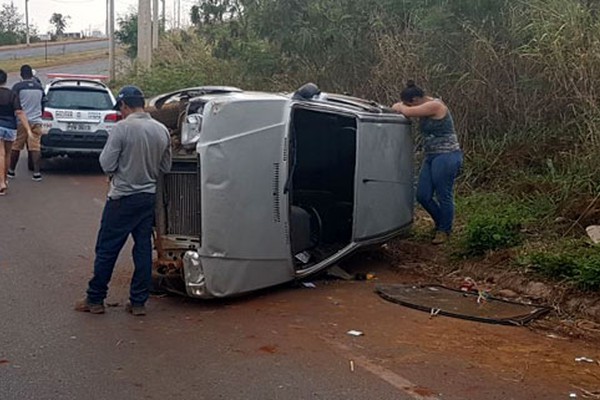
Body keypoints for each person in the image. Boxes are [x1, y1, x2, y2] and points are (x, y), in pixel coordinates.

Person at [75, 85, 172, 316]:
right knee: (142, 250)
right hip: (147, 199)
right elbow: (166, 167)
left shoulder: (121, 129)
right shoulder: (162, 130)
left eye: (120, 108)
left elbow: (107, 164)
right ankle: (138, 302)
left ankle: (95, 298)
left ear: (124, 105)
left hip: (121, 198)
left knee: (107, 249)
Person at [392, 81, 463, 245]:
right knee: (422, 195)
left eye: (408, 102)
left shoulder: (435, 106)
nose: (406, 105)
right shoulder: (422, 105)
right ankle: (441, 223)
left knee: (443, 194)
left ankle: (444, 230)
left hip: (447, 156)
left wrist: (402, 107)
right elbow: (401, 107)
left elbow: (406, 111)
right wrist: (401, 106)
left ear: (416, 99)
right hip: (431, 156)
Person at [9, 64, 46, 181]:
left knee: (16, 146)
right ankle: (36, 173)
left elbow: (12, 103)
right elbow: (43, 103)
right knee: (35, 147)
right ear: (31, 74)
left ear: (21, 74)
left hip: (21, 121)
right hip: (36, 121)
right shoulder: (39, 87)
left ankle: (11, 171)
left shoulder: (17, 87)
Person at [0, 69, 33, 195]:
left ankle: (1, 183)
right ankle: (5, 179)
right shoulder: (12, 94)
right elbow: (19, 112)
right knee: (7, 154)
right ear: (5, 80)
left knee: (0, 154)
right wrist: (28, 129)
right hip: (10, 127)